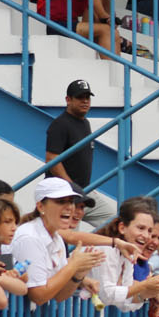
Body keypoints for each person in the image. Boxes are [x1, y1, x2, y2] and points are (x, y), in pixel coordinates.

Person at [9, 177, 104, 305]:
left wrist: (78, 274)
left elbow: (59, 296)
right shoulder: (29, 237)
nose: (69, 207)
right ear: (41, 206)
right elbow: (39, 296)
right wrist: (73, 265)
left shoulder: (56, 238)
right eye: (60, 201)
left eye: (71, 201)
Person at [45, 80, 113, 228]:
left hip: (85, 191)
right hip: (64, 194)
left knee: (113, 223)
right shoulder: (60, 124)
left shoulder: (85, 123)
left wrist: (82, 189)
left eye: (87, 97)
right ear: (68, 100)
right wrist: (71, 187)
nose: (85, 101)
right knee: (68, 238)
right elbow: (52, 159)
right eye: (80, 97)